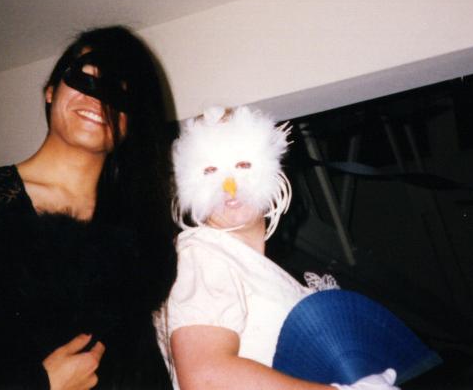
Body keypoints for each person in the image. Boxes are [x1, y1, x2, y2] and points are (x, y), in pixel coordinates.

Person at [0, 26, 177, 389]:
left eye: (121, 93)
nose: (99, 100)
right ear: (50, 90)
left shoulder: (138, 237)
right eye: (86, 79)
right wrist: (39, 384)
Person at [156, 106, 397, 390]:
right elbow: (205, 378)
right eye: (209, 171)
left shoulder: (259, 271)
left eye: (243, 165)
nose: (230, 186)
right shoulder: (202, 252)